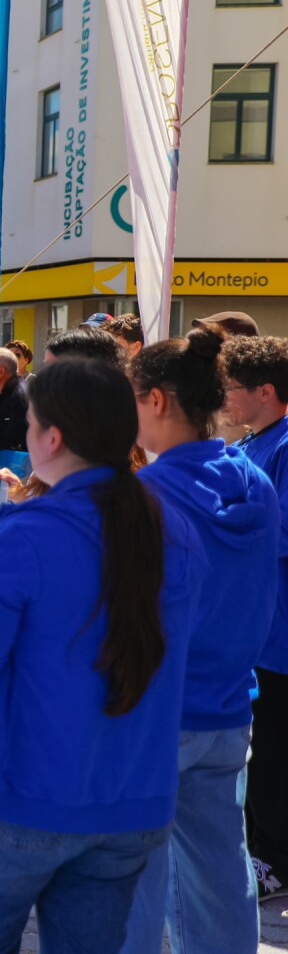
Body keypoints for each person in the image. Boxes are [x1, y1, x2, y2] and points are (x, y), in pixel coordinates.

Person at [0, 357, 203, 954]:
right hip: (132, 798)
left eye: (29, 426)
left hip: (19, 795)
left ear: (51, 438)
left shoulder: (28, 530)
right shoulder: (174, 527)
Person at [119, 327, 278, 952]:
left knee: (126, 880)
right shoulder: (253, 480)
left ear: (157, 400)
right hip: (228, 707)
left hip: (155, 713)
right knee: (218, 873)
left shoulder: (149, 494)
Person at [221, 335, 288, 902]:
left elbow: (277, 532)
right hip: (253, 629)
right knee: (257, 750)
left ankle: (273, 861)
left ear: (266, 391)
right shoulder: (248, 442)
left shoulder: (285, 446)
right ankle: (258, 849)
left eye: (233, 387)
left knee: (272, 753)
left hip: (279, 633)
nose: (225, 397)